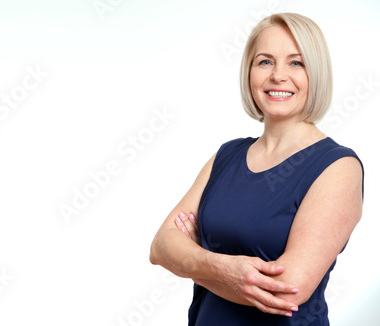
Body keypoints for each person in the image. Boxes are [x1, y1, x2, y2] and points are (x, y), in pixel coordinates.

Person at [149, 12, 364, 325]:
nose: (278, 75)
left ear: (316, 73)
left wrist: (191, 260)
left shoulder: (337, 167)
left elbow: (284, 292)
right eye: (265, 61)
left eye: (296, 63)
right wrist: (223, 269)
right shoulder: (227, 156)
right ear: (249, 72)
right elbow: (160, 247)